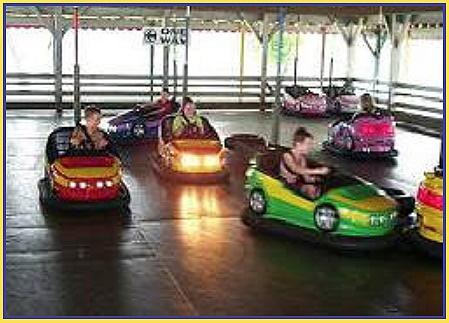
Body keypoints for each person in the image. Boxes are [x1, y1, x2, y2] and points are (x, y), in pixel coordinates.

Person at [280, 127, 330, 199]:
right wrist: (319, 171)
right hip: (286, 184)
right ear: (298, 144)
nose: (310, 147)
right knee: (311, 189)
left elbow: (306, 177)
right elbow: (297, 169)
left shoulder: (302, 158)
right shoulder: (287, 155)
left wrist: (316, 179)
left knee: (321, 188)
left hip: (297, 183)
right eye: (308, 144)